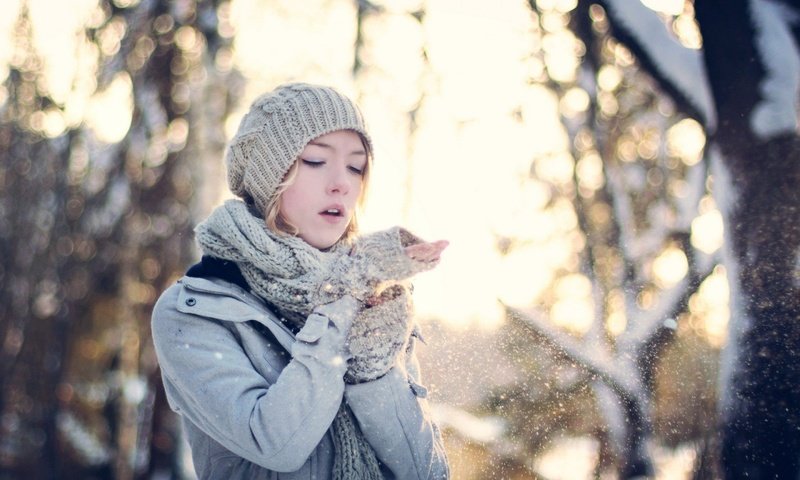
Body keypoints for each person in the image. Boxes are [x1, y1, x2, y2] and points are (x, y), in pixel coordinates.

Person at [151, 82, 450, 479]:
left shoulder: (375, 303)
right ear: (268, 177)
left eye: (356, 166)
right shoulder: (192, 312)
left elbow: (427, 472)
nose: (342, 183)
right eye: (314, 160)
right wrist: (344, 297)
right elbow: (277, 443)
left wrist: (374, 368)